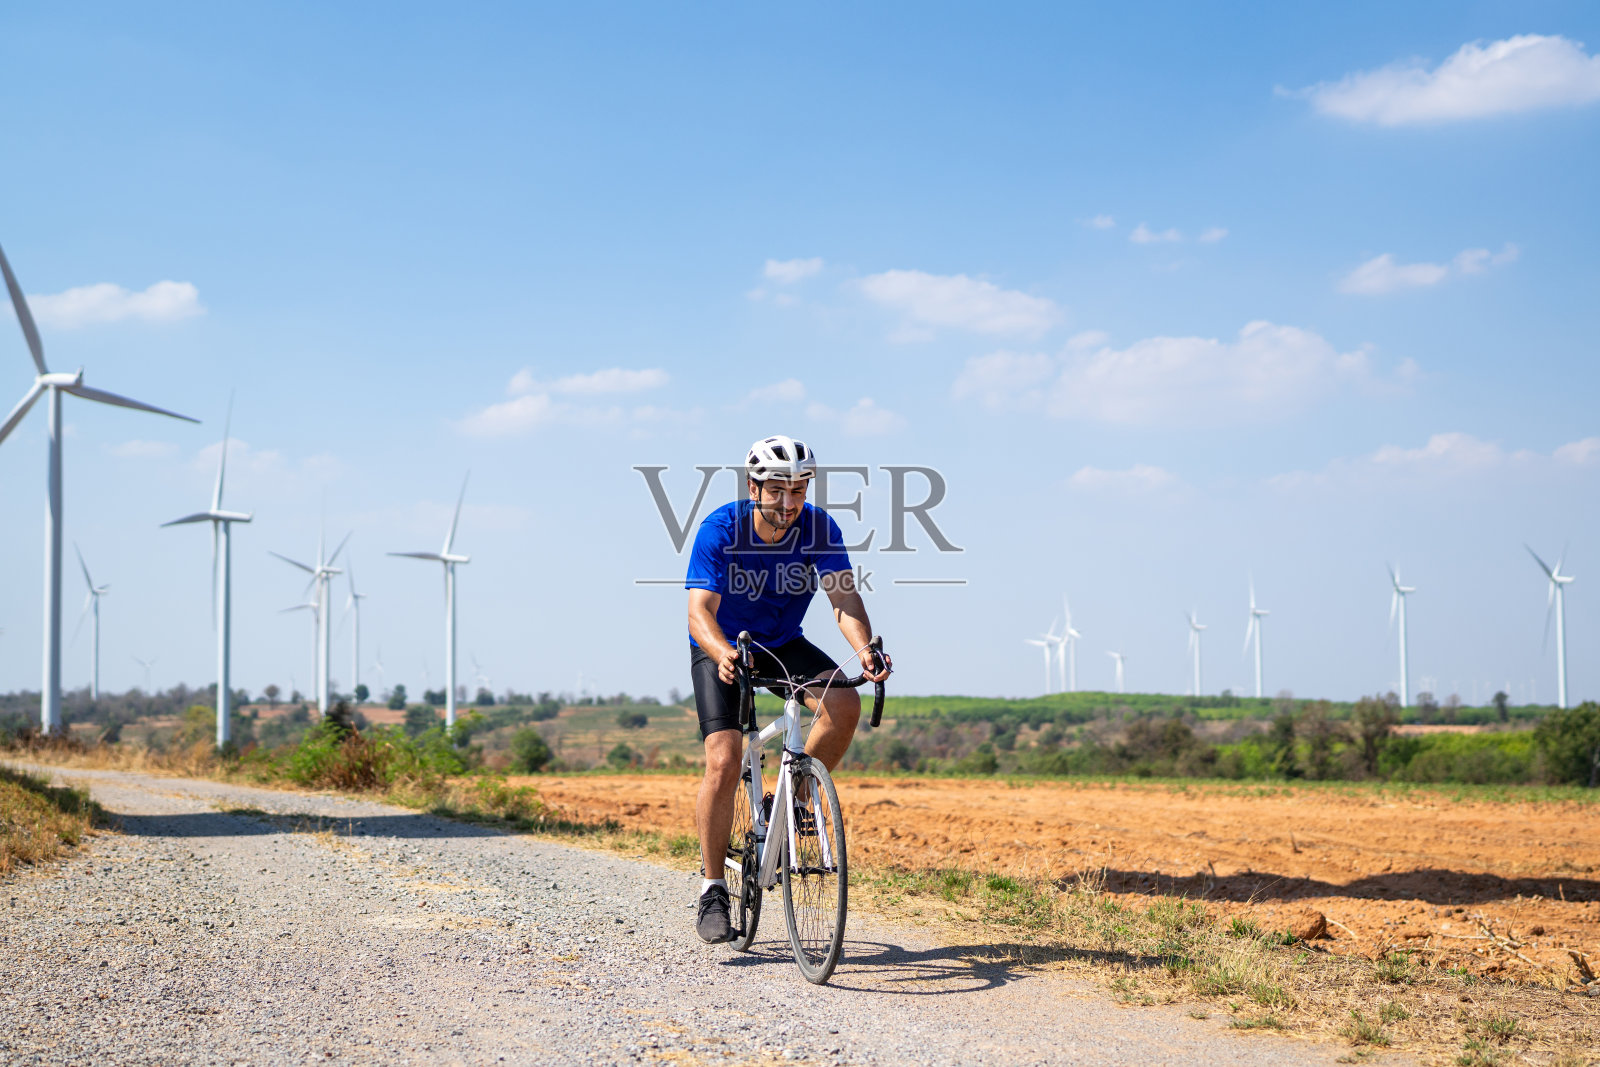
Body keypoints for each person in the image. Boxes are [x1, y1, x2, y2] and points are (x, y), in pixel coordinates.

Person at [684, 435, 890, 943]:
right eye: (776, 489)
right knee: (724, 759)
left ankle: (793, 797)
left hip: (783, 643)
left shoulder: (818, 527)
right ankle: (713, 889)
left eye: (797, 490)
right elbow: (699, 613)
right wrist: (722, 653)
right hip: (725, 647)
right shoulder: (721, 529)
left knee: (843, 703)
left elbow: (842, 598)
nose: (787, 502)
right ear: (754, 487)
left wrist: (865, 648)